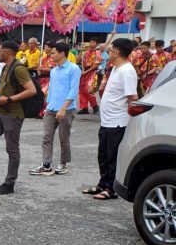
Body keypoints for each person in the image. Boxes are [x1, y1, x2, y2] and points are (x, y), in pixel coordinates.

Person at [0, 41, 36, 195]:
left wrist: (9, 99)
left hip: (13, 113)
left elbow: (32, 90)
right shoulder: (4, 67)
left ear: (7, 52)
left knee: (12, 148)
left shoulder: (19, 68)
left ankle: (9, 183)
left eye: (0, 51)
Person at [83, 38, 138, 201]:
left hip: (118, 121)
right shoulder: (115, 69)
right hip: (107, 120)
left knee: (112, 156)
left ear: (118, 53)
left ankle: (111, 189)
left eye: (111, 51)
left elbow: (132, 98)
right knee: (103, 155)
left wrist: (132, 120)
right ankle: (102, 184)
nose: (109, 53)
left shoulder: (127, 71)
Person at [29, 42, 81, 176]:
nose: (50, 55)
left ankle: (63, 163)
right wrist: (47, 106)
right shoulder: (54, 70)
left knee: (64, 138)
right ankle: (46, 164)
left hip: (66, 109)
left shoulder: (74, 69)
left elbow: (73, 91)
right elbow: (51, 89)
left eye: (53, 53)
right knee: (46, 137)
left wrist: (63, 108)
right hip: (51, 108)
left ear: (62, 53)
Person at [77, 40, 102, 114]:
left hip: (92, 72)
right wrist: (81, 52)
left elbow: (95, 65)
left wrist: (85, 72)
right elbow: (78, 61)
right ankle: (84, 107)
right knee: (82, 90)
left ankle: (95, 106)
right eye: (90, 42)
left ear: (96, 44)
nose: (91, 43)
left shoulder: (97, 53)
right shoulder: (86, 52)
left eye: (93, 42)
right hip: (84, 73)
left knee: (89, 89)